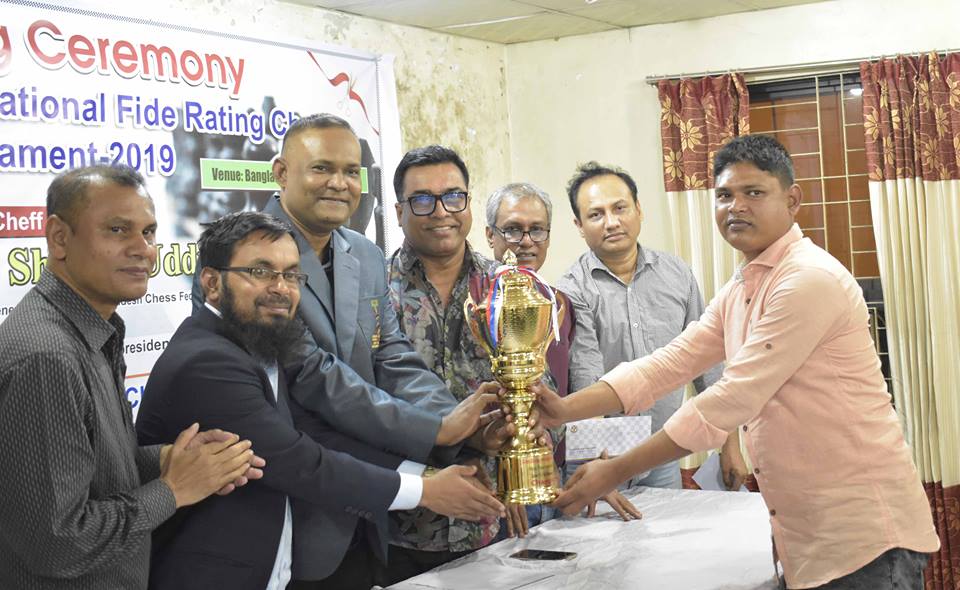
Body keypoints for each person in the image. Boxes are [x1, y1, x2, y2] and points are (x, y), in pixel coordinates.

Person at [542, 135, 940, 590]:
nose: (736, 207)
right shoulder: (742, 287)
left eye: (754, 193)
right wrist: (562, 409)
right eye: (725, 195)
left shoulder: (807, 279)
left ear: (792, 200)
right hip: (806, 535)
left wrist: (614, 470)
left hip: (863, 536)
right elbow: (670, 362)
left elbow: (730, 398)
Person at [189, 113, 519, 586]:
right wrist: (439, 431)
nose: (339, 183)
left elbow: (392, 357)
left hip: (369, 519)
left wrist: (462, 426)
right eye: (322, 168)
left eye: (350, 171)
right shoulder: (244, 257)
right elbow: (311, 374)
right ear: (281, 173)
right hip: (288, 512)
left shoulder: (362, 253)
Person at [138, 211, 504, 590]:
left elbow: (315, 435)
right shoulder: (208, 362)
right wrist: (426, 491)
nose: (281, 288)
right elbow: (298, 461)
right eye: (261, 272)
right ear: (212, 283)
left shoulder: (258, 342)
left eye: (291, 275)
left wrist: (427, 475)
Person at [0, 165, 262, 590]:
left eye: (149, 232)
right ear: (59, 238)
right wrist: (174, 490)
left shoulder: (95, 330)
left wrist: (168, 459)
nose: (143, 249)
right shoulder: (47, 358)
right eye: (118, 230)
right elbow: (57, 542)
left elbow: (92, 472)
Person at [556, 161, 744, 490]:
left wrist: (730, 446)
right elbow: (587, 378)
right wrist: (600, 468)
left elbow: (708, 367)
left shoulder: (677, 274)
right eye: (596, 214)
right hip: (600, 455)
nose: (611, 222)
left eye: (620, 208)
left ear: (639, 210)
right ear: (579, 225)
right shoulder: (571, 290)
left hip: (661, 454)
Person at [484, 182, 641, 531]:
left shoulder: (559, 304)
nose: (526, 241)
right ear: (490, 235)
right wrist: (506, 479)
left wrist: (596, 466)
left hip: (553, 480)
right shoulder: (480, 306)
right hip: (493, 495)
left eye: (537, 230)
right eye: (512, 230)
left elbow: (577, 391)